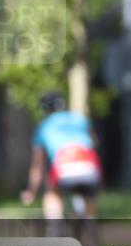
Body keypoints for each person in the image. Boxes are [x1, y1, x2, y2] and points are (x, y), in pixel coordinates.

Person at [21, 91, 103, 226]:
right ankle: (91, 229)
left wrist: (31, 192)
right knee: (88, 198)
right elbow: (95, 143)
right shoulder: (79, 119)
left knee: (52, 194)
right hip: (89, 166)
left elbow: (38, 167)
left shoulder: (43, 127)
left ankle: (55, 230)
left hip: (63, 168)